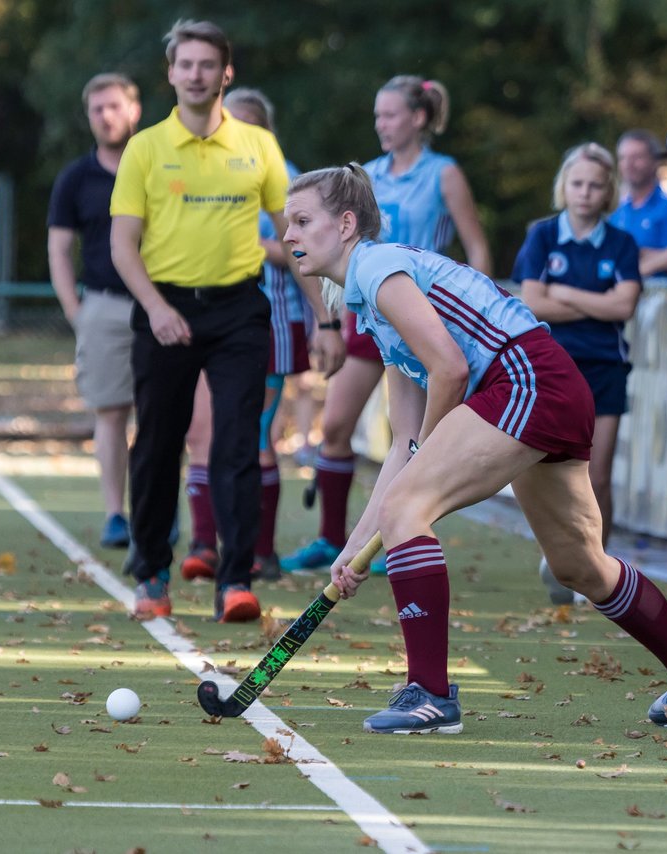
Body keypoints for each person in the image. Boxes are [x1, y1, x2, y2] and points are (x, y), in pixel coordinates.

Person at [283, 163, 667, 735]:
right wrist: (355, 547)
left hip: (525, 379)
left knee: (409, 507)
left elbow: (449, 370)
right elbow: (402, 445)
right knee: (580, 565)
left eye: (303, 221)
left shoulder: (379, 267)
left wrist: (420, 473)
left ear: (346, 224)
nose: (288, 236)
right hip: (544, 386)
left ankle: (429, 694)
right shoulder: (373, 307)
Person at [109, 19, 344, 622]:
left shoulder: (257, 147)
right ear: (170, 73)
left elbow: (298, 238)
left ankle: (235, 580)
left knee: (240, 445)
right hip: (164, 310)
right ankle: (153, 576)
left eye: (207, 65)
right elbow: (122, 246)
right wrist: (157, 309)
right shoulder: (145, 148)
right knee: (159, 446)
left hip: (240, 310)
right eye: (185, 64)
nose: (195, 75)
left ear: (225, 72)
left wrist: (325, 320)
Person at [280, 75, 491, 576]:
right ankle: (336, 540)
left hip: (425, 317)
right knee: (337, 427)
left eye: (391, 114)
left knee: (420, 434)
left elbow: (476, 245)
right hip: (374, 315)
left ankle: (404, 536)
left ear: (418, 118)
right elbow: (332, 251)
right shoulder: (364, 177)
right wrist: (328, 322)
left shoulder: (443, 175)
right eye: (377, 115)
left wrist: (477, 304)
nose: (381, 124)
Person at [176, 87, 312, 583]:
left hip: (268, 320)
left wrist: (250, 245)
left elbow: (303, 253)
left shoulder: (286, 177)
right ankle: (202, 544)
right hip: (200, 317)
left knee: (253, 438)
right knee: (200, 433)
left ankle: (260, 550)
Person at [514, 143, 642, 602]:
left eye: (595, 185)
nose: (585, 193)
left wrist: (563, 292)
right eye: (577, 184)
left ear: (608, 192)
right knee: (552, 472)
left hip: (606, 367)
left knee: (597, 475)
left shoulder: (622, 243)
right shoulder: (543, 236)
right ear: (563, 187)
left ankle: (599, 573)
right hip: (552, 367)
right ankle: (560, 555)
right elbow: (532, 301)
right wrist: (594, 304)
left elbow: (623, 306)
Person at [47, 73, 141, 550]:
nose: (105, 116)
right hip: (103, 306)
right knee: (110, 413)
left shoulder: (155, 167)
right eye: (96, 109)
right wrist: (75, 309)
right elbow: (60, 249)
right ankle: (115, 515)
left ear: (134, 110)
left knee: (166, 415)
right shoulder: (75, 178)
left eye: (113, 106)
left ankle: (157, 510)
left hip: (161, 304)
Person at [609, 129, 667, 277]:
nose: (629, 164)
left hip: (666, 295)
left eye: (637, 157)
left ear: (655, 162)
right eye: (623, 158)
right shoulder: (616, 212)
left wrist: (640, 257)